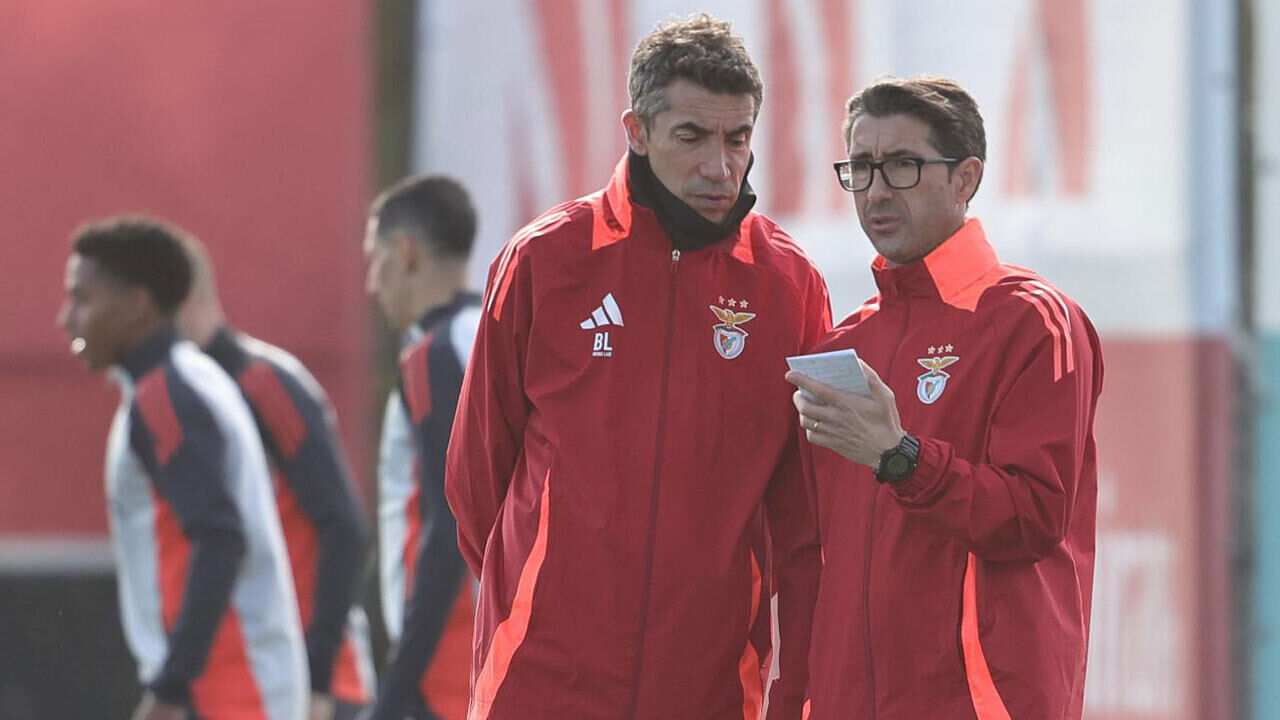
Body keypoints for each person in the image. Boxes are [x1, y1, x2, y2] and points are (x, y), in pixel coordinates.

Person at [445, 14, 831, 720]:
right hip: (538, 678)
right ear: (637, 131)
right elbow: (477, 480)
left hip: (709, 687)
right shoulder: (543, 261)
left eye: (737, 139)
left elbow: (802, 518)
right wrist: (541, 593)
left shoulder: (790, 286)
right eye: (693, 136)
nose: (720, 166)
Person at [788, 76, 1104, 719]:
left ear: (966, 179)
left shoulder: (1031, 320)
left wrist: (899, 457)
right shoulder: (840, 345)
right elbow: (811, 561)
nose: (876, 190)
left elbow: (1032, 518)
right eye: (863, 168)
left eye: (903, 166)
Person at [56, 216, 307, 720]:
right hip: (232, 683)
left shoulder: (166, 393)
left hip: (230, 689)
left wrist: (171, 689)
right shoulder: (178, 379)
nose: (67, 319)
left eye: (82, 299)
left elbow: (218, 537)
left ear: (136, 304)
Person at [177, 238, 375, 720]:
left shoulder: (261, 382)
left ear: (188, 300)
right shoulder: (178, 397)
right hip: (237, 681)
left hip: (303, 686)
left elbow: (344, 527)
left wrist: (317, 676)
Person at [363, 175, 482, 720]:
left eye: (375, 259)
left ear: (405, 253)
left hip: (453, 663)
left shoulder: (432, 356)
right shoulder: (497, 332)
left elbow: (449, 522)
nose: (372, 282)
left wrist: (398, 684)